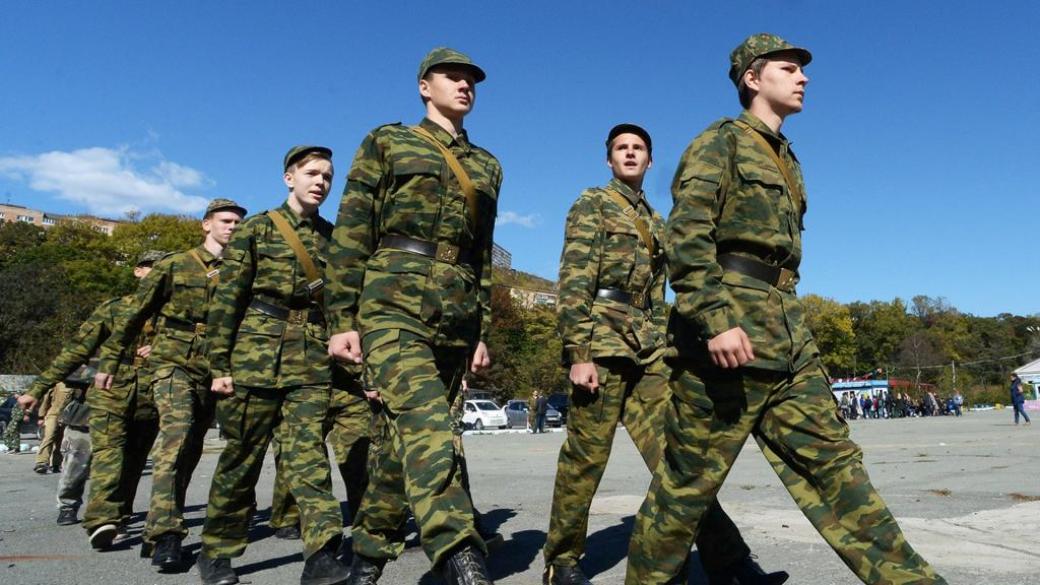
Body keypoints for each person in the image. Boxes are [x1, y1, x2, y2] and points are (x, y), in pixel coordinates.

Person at [624, 34, 947, 585]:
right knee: (686, 487)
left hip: (787, 337)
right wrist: (716, 320)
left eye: (802, 69)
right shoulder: (719, 143)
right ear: (752, 78)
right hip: (725, 340)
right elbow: (686, 236)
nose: (803, 77)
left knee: (837, 470)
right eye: (789, 68)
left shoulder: (786, 158)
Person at [545, 123, 783, 585]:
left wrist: (667, 345)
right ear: (609, 159)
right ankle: (563, 562)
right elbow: (574, 279)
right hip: (602, 345)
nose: (630, 153)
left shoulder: (657, 221)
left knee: (680, 460)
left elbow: (658, 295)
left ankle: (728, 561)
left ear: (650, 160)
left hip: (648, 349)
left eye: (638, 148)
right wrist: (578, 352)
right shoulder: (593, 203)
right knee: (585, 459)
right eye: (621, 148)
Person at [327, 47, 500, 585]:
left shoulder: (487, 165)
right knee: (429, 426)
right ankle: (459, 550)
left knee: (400, 443)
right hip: (391, 303)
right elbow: (352, 228)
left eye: (471, 80)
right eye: (453, 76)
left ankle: (367, 555)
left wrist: (480, 330)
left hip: (455, 313)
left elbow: (482, 254)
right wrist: (341, 318)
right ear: (425, 86)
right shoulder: (387, 141)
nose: (464, 85)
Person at [197, 146, 352, 585]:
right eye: (312, 173)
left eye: (327, 176)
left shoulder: (334, 238)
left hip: (310, 360)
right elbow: (227, 300)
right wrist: (219, 365)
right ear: (289, 178)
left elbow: (340, 305)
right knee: (242, 458)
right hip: (255, 356)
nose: (320, 182)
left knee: (309, 459)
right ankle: (217, 551)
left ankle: (322, 554)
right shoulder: (256, 229)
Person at [95, 199, 245, 571]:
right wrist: (110, 359)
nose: (232, 228)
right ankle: (166, 534)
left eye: (238, 223)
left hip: (215, 367)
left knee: (191, 448)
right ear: (206, 224)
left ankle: (161, 522)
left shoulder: (242, 270)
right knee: (175, 439)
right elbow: (135, 313)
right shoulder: (175, 264)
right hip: (173, 362)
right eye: (226, 221)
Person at [18, 250, 163, 534]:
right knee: (81, 456)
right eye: (152, 267)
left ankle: (117, 514)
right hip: (101, 396)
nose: (158, 274)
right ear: (138, 271)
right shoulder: (114, 309)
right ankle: (72, 505)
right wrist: (39, 387)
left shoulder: (175, 317)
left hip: (149, 398)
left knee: (132, 461)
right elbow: (74, 353)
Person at [34, 383, 70, 473]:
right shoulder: (57, 384)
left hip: (67, 416)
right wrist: (41, 416)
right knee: (49, 437)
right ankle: (41, 462)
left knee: (60, 440)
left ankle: (56, 463)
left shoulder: (77, 385)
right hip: (53, 414)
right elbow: (45, 401)